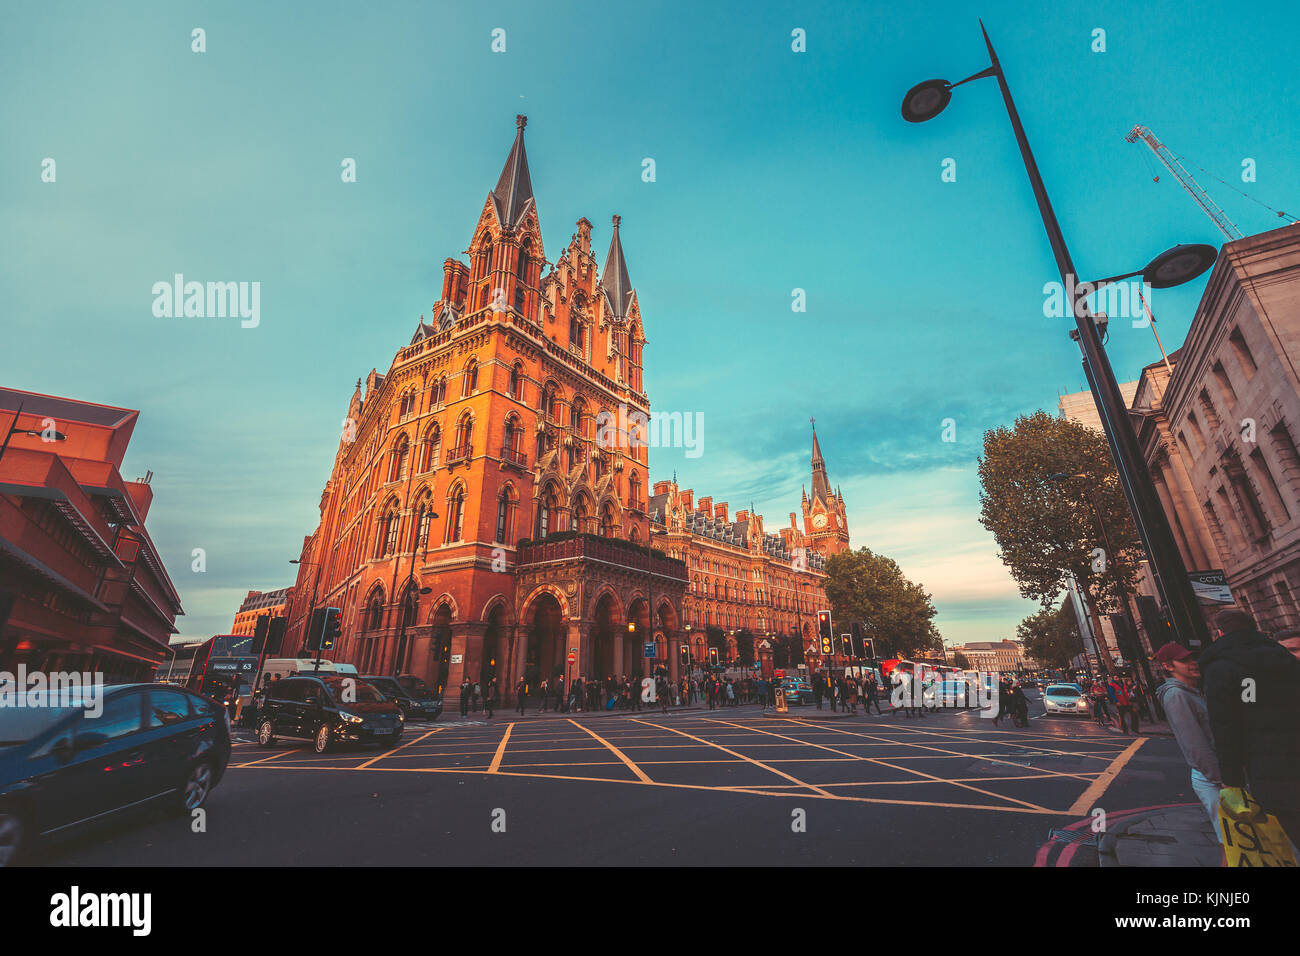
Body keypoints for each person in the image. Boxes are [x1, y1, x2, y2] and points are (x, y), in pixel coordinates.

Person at [1200, 608, 1300, 845]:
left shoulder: (1220, 668)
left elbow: (1225, 727)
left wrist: (1231, 778)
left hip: (1270, 767)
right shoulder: (1285, 657)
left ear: (1220, 632)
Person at [1153, 641, 1223, 840]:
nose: (1193, 663)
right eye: (1184, 660)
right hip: (1213, 778)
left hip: (1217, 774)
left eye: (1193, 658)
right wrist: (1222, 779)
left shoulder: (1193, 691)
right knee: (1232, 841)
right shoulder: (1176, 695)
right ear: (1168, 666)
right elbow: (1195, 744)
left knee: (1233, 841)